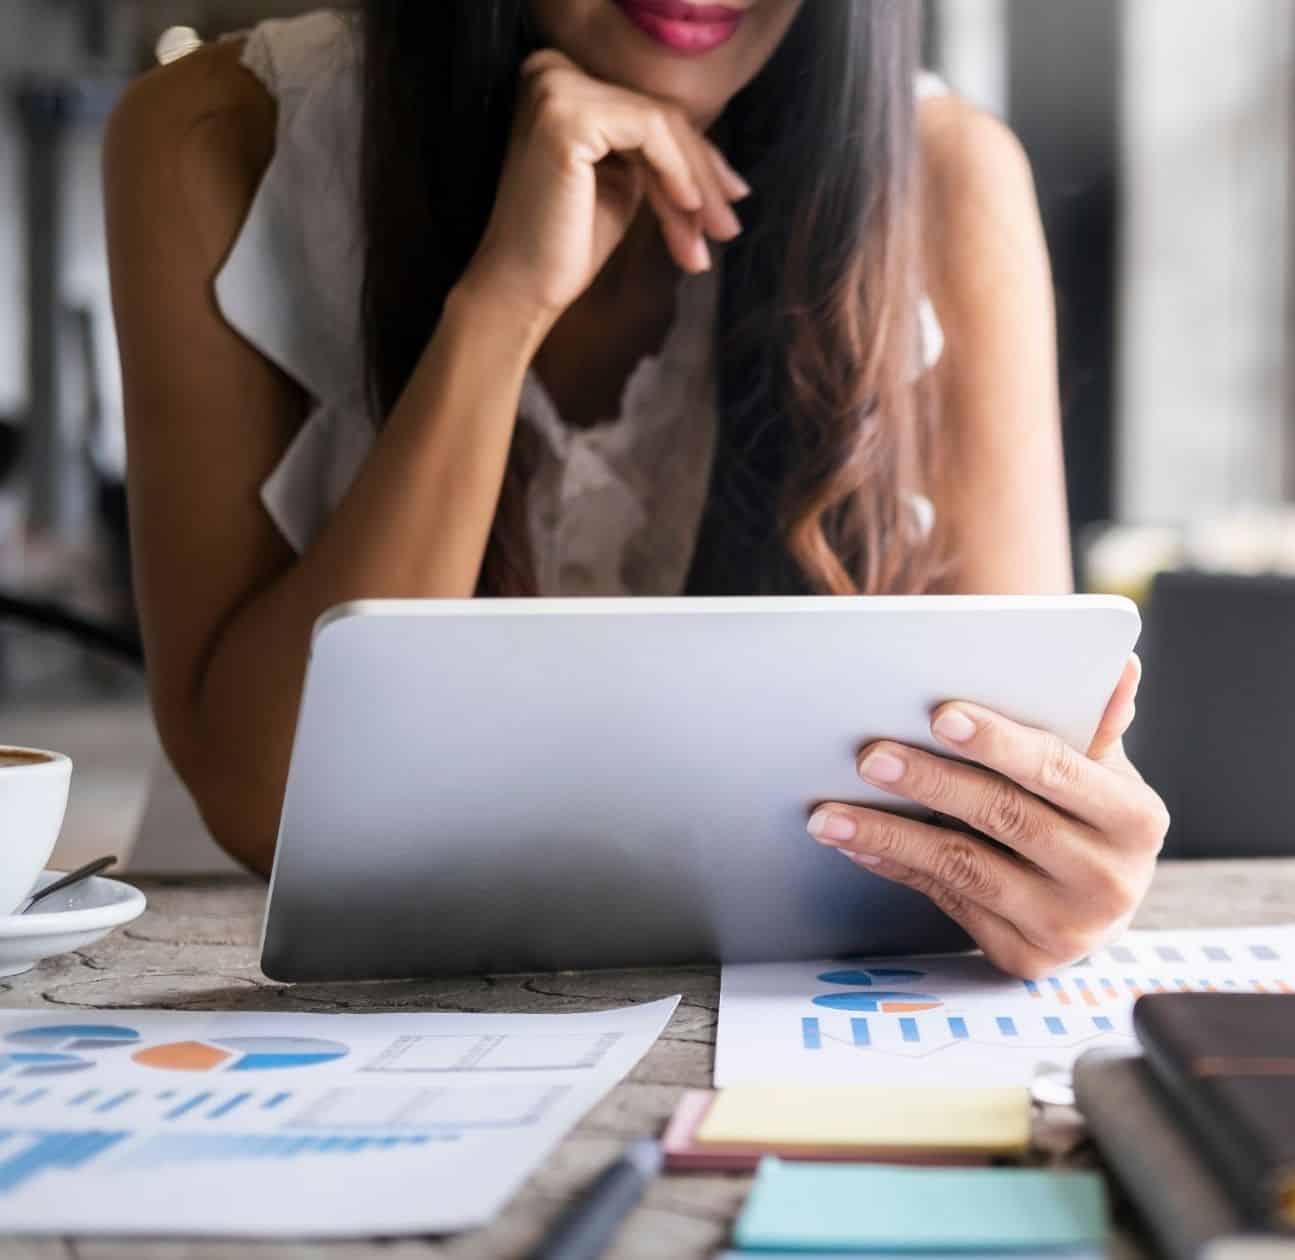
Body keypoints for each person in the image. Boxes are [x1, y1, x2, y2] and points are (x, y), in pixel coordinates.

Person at [102, 0, 1167, 979]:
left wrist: (1056, 865)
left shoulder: (946, 175)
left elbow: (1017, 789)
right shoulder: (216, 136)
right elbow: (265, 807)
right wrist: (499, 312)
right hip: (262, 986)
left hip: (760, 1007)